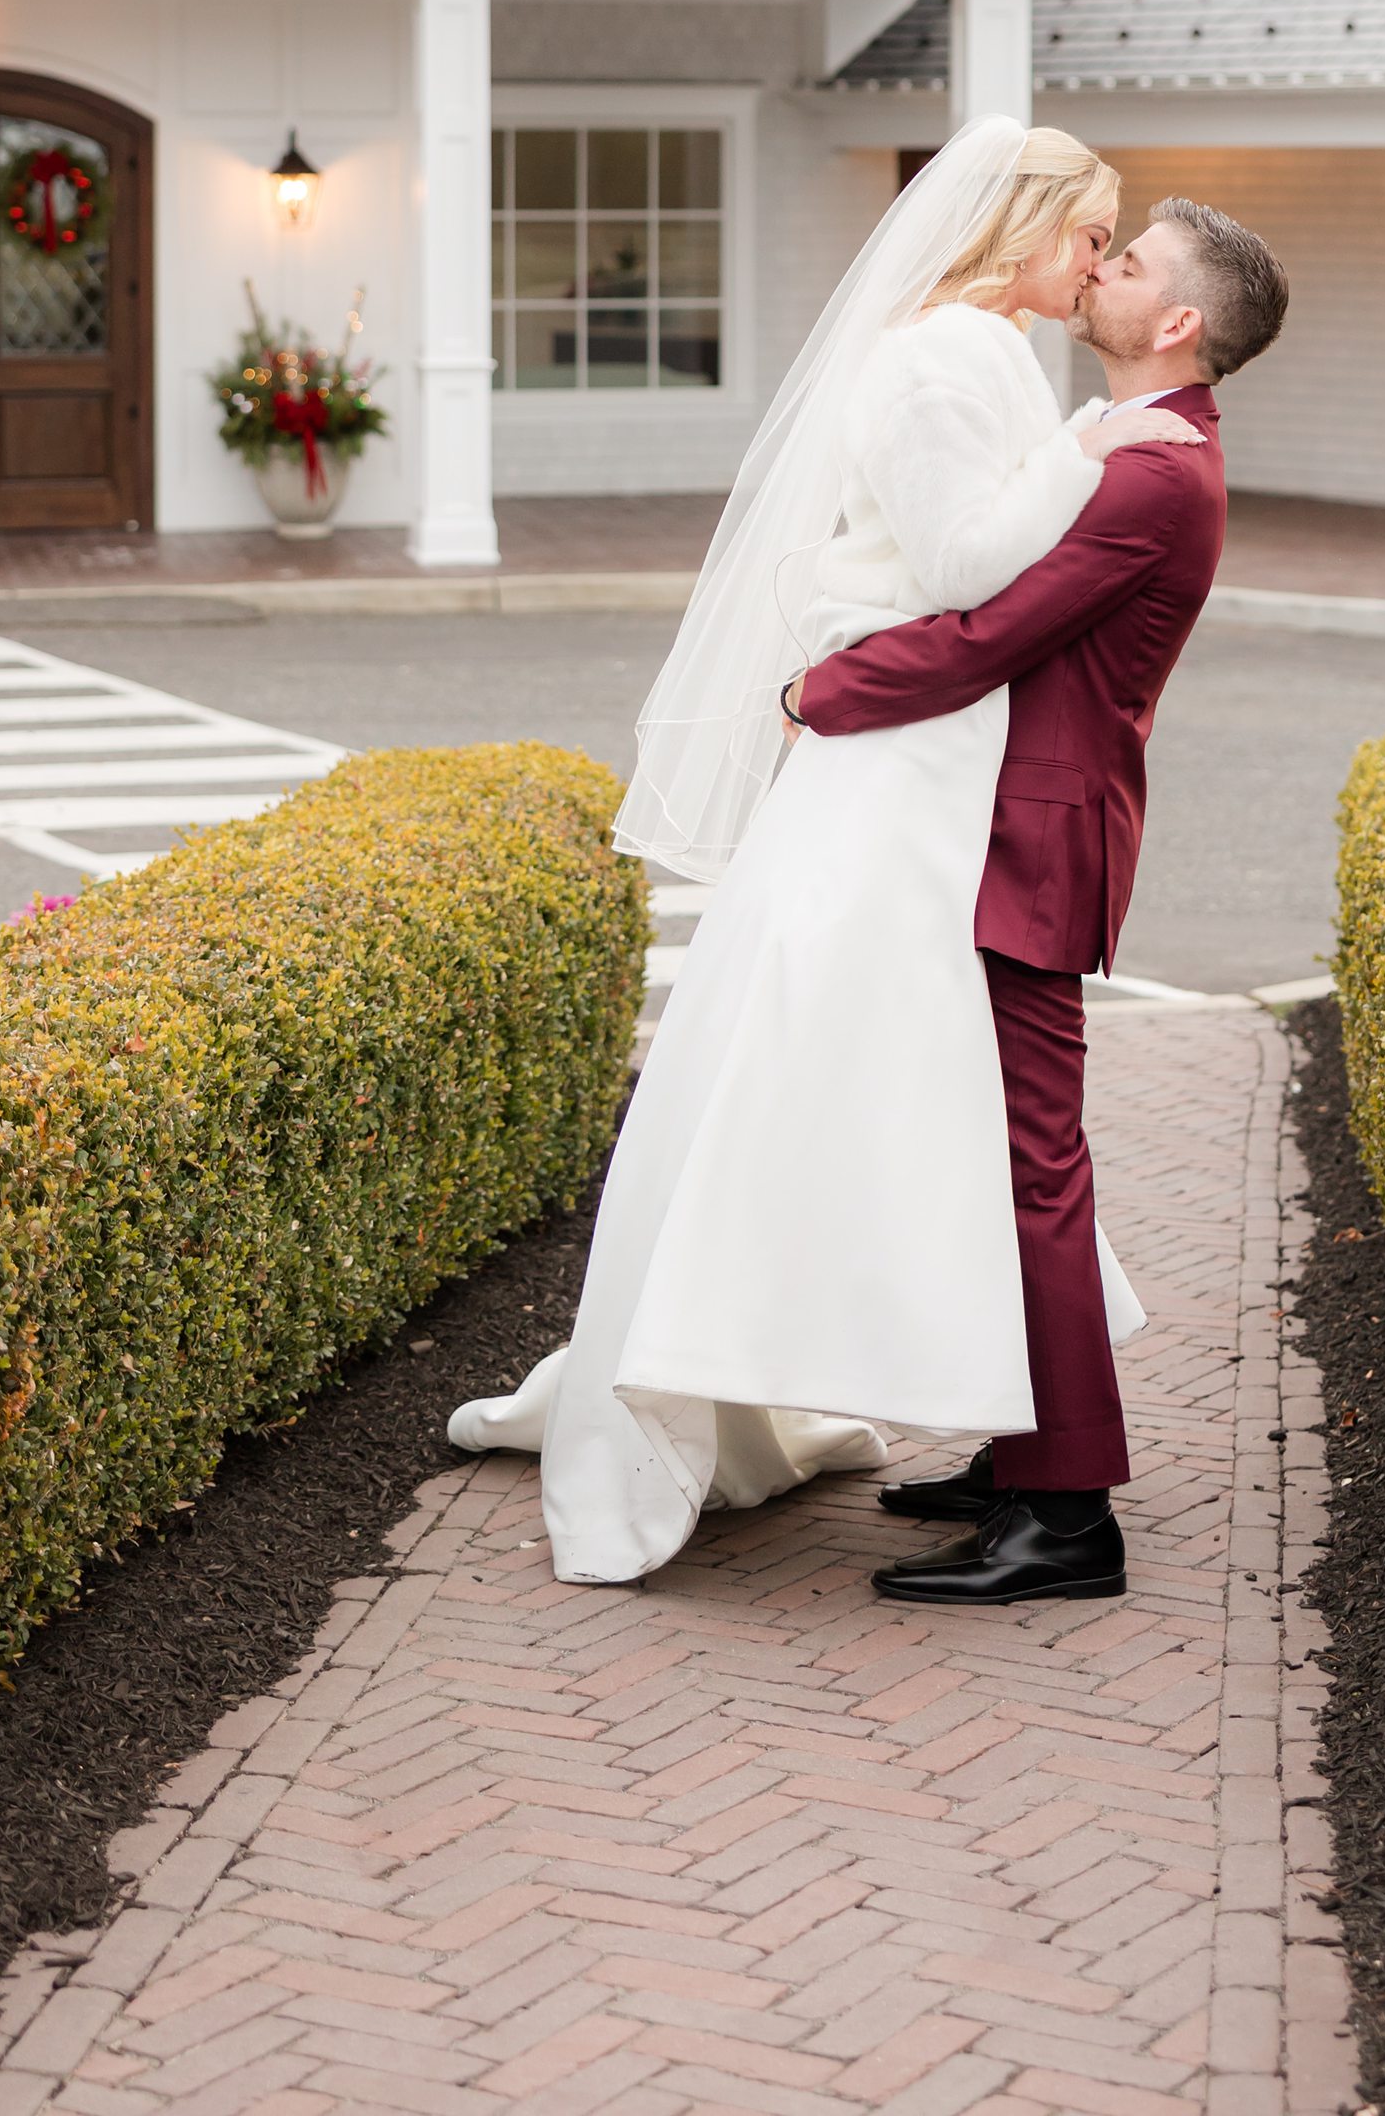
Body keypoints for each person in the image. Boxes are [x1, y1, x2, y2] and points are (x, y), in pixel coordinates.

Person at [449, 121, 1198, 1585]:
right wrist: (1092, 449)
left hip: (938, 767)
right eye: (1088, 237)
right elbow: (976, 570)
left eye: (1116, 247)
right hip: (901, 770)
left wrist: (1069, 450)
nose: (1099, 264)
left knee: (925, 1095)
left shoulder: (987, 354)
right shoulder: (941, 358)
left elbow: (977, 559)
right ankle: (910, 1405)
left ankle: (1000, 1421)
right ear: (1023, 228)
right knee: (843, 1069)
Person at [788, 196, 1290, 1608]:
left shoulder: (1157, 476)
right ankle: (1023, 1458)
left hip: (1035, 846)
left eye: (1129, 266)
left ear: (1178, 321)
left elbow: (986, 637)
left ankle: (1068, 1515)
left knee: (1033, 1173)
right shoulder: (1131, 448)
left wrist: (812, 692)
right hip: (999, 831)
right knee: (992, 1156)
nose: (1101, 267)